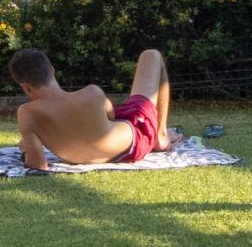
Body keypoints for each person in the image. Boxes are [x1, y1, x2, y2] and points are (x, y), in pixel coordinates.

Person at [10, 46, 172, 170]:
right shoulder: (91, 93)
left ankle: (160, 135)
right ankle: (160, 136)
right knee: (151, 55)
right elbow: (112, 116)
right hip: (136, 138)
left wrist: (27, 148)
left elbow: (38, 165)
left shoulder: (27, 113)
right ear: (52, 71)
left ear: (26, 87)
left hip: (82, 158)